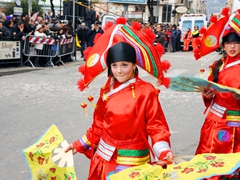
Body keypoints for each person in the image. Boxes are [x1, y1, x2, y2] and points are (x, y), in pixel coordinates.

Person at [65, 19, 174, 180]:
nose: (119, 71)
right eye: (114, 66)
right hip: (104, 159)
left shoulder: (146, 91)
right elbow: (99, 126)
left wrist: (164, 151)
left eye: (125, 65)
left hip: (133, 162)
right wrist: (78, 145)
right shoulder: (106, 90)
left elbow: (156, 125)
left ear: (134, 65)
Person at [194, 8, 240, 179]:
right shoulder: (217, 65)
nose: (232, 47)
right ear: (223, 45)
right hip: (213, 120)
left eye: (236, 43)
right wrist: (207, 95)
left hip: (234, 122)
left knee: (230, 162)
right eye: (228, 43)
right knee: (208, 158)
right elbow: (211, 91)